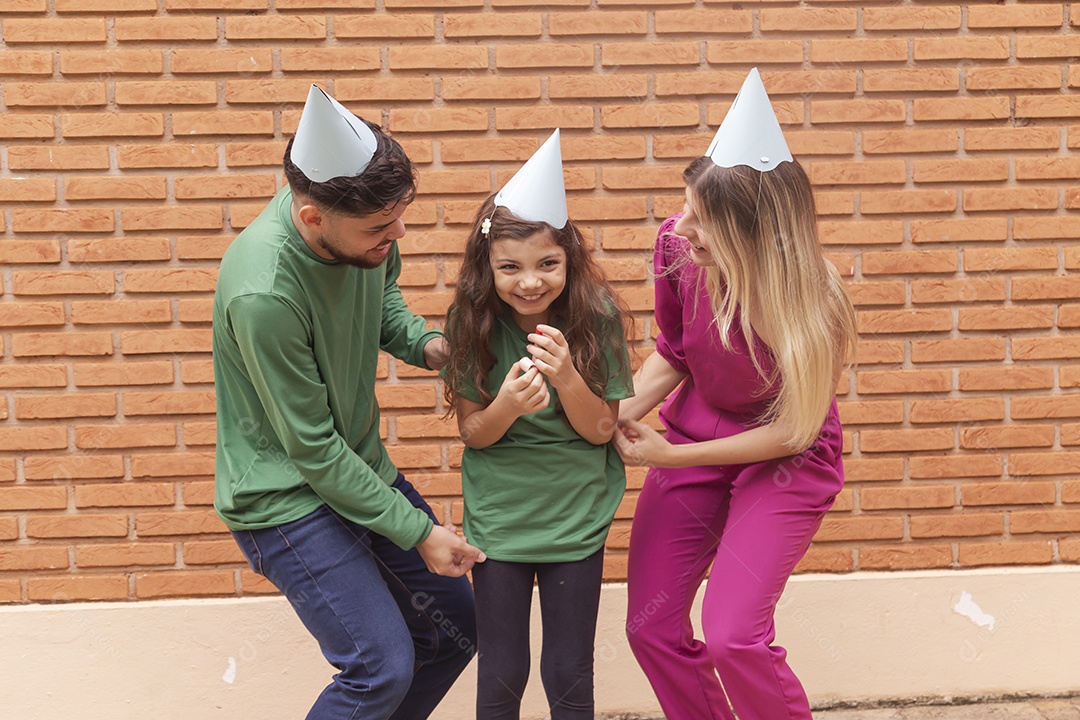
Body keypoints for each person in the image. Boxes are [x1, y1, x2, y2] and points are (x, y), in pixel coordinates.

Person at [213, 85, 485, 720]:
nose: (397, 233)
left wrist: (431, 344)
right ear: (312, 217)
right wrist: (419, 531)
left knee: (452, 632)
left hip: (355, 472)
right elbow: (310, 447)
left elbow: (382, 299)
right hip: (284, 497)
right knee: (377, 668)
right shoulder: (264, 293)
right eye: (379, 227)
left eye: (397, 217)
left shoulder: (363, 231)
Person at [614, 69, 858, 720]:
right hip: (699, 432)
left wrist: (664, 458)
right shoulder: (677, 246)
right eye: (687, 206)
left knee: (733, 636)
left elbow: (793, 432)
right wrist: (609, 417)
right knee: (652, 628)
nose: (682, 226)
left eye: (703, 219)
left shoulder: (816, 301)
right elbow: (674, 352)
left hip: (785, 460)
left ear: (754, 232)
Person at [440, 130, 634, 720]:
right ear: (488, 266)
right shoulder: (471, 321)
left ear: (569, 259)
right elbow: (473, 434)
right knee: (502, 669)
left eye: (548, 263)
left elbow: (602, 430)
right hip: (500, 521)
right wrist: (506, 406)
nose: (531, 281)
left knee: (568, 669)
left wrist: (569, 379)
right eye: (511, 267)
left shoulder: (595, 318)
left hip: (575, 518)